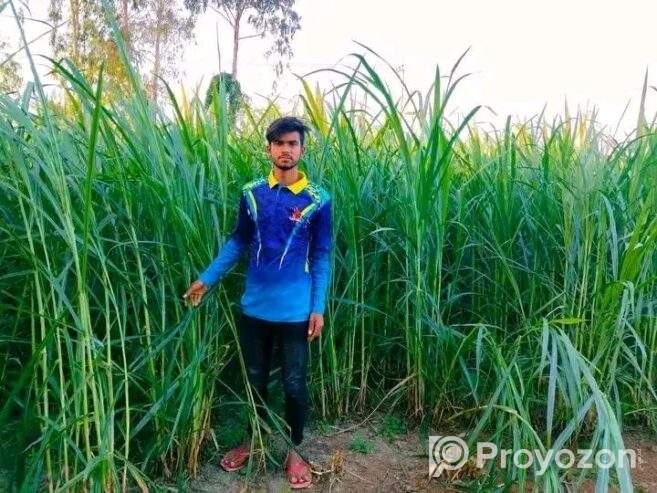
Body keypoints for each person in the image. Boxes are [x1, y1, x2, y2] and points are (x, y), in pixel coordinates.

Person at [183, 116, 332, 489]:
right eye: (279, 143)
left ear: (302, 149)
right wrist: (207, 278)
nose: (286, 149)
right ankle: (254, 439)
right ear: (268, 148)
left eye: (293, 143)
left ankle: (295, 448)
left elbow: (323, 255)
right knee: (254, 381)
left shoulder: (318, 200)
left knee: (295, 384)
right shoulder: (251, 193)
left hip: (296, 312)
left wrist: (318, 307)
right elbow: (238, 242)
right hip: (254, 309)